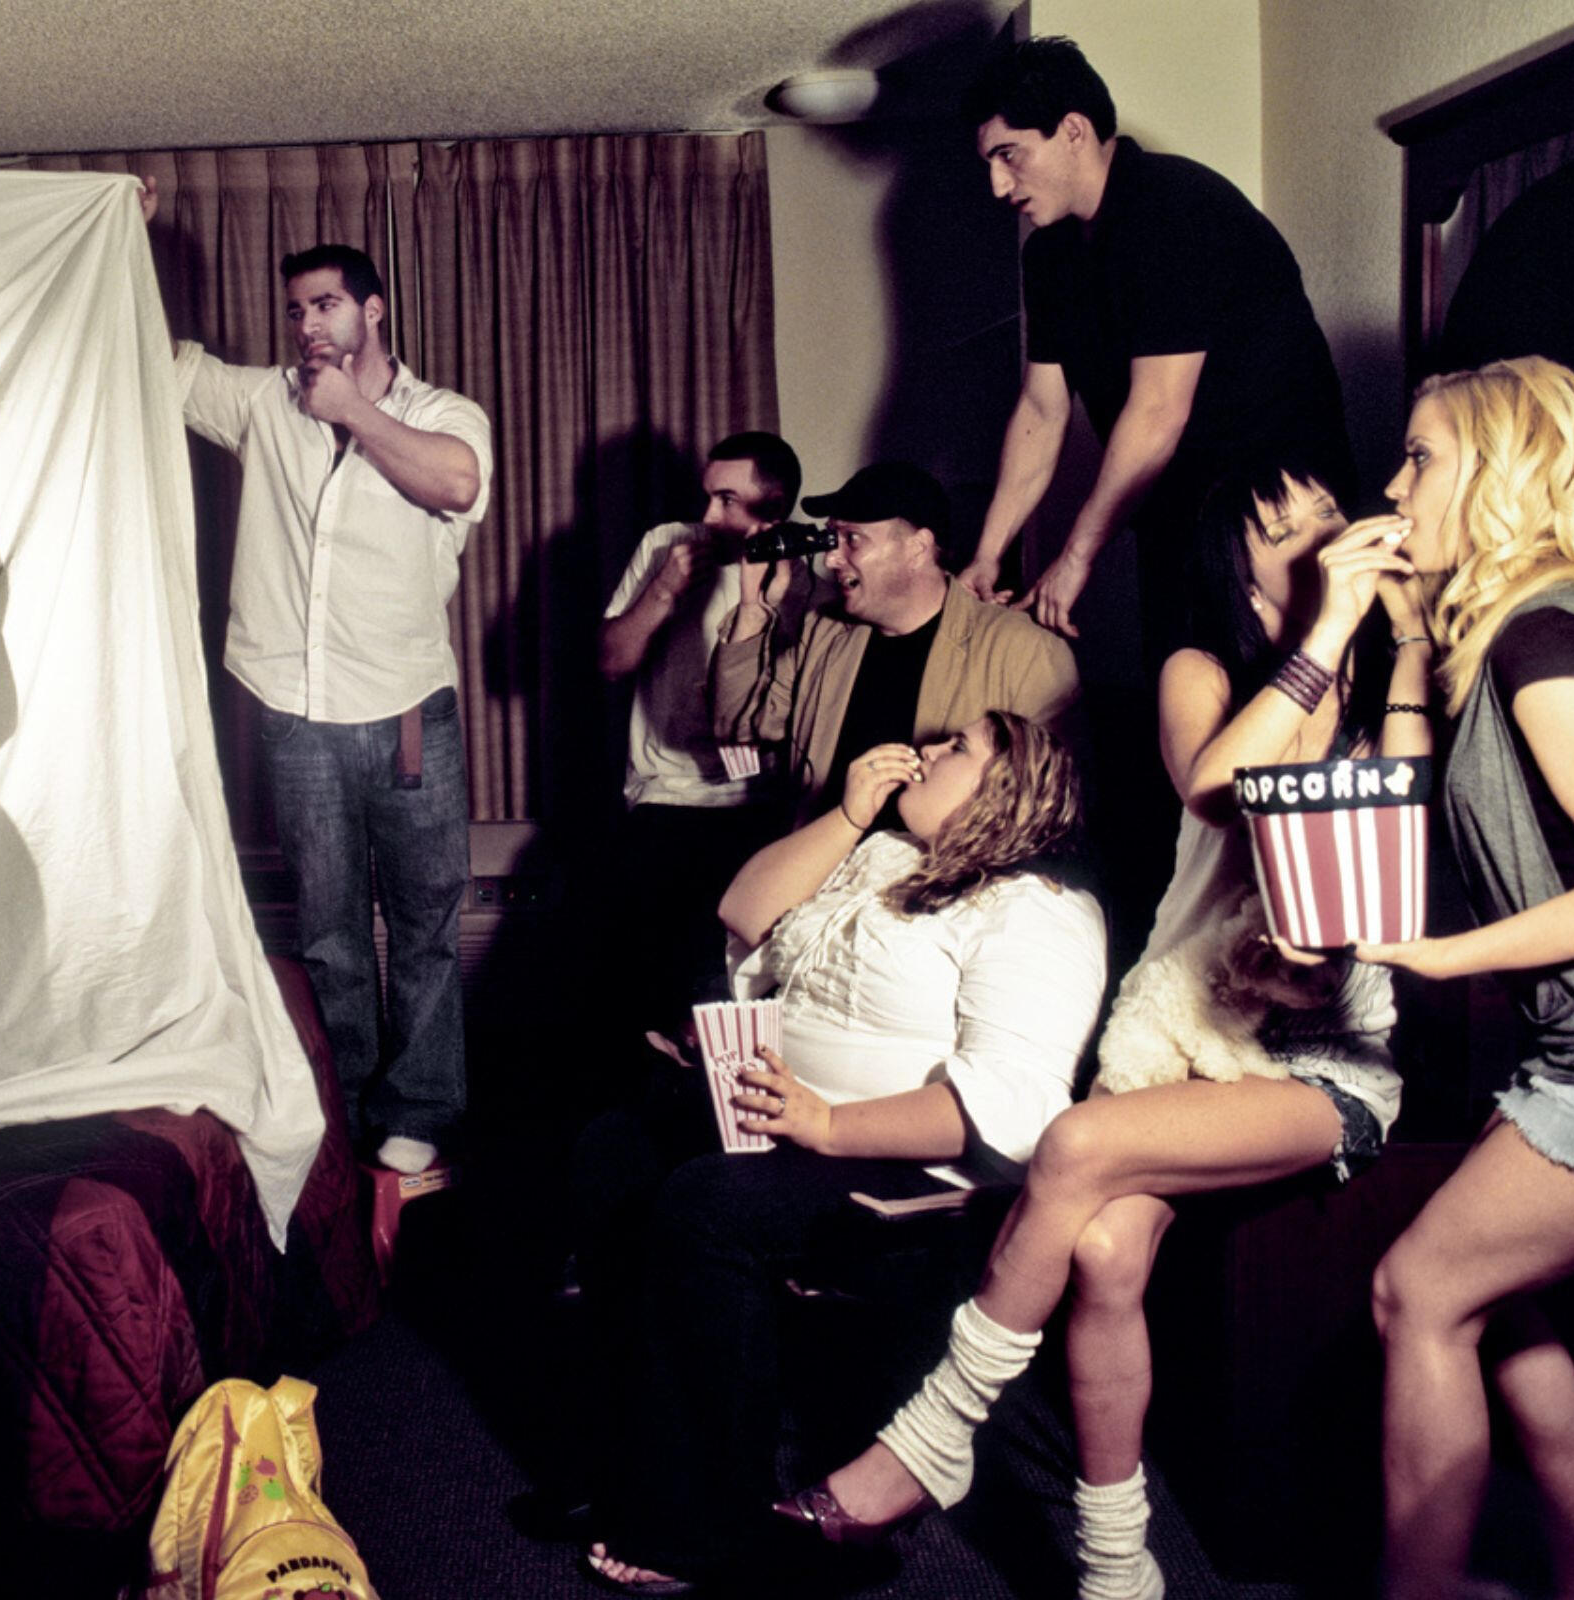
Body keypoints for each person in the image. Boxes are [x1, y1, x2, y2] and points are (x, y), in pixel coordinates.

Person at [773, 449, 1431, 1600]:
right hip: (1176, 1037)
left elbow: (1395, 833)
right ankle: (1119, 1570)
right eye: (1294, 527)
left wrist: (1405, 644)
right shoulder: (1199, 670)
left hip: (1318, 1057)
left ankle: (930, 1438)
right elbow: (1218, 788)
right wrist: (1326, 634)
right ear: (1245, 574)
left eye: (1333, 509)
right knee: (1105, 1249)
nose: (1333, 533)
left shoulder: (1389, 681)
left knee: (1073, 1145)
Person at [571, 711, 1107, 1594]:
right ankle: (632, 1472)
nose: (927, 750)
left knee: (707, 1207)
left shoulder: (1038, 911)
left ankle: (704, 1529)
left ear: (1009, 791)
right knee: (613, 1154)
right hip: (792, 1123)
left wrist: (828, 1126)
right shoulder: (884, 856)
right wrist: (851, 816)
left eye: (959, 748)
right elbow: (743, 912)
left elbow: (1013, 1105)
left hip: (906, 1172)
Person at [1352, 358, 1574, 1600]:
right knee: (1502, 1306)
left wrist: (1445, 956)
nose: (1395, 487)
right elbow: (1418, 799)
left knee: (1417, 1291)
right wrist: (1403, 633)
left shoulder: (1547, 638)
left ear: (1503, 469)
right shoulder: (1537, 622)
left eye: (1422, 456)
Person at [152, 197, 494, 1175]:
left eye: (327, 304)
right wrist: (123, 239)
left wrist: (352, 412)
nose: (307, 324)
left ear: (373, 311)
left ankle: (419, 1108)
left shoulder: (442, 413)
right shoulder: (263, 402)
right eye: (297, 308)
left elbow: (457, 483)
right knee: (330, 929)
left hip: (406, 714)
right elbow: (156, 364)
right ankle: (344, 1106)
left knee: (424, 924)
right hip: (296, 716)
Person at [951, 37, 1350, 656]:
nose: (999, 186)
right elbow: (1042, 410)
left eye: (1009, 155)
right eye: (989, 164)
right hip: (1176, 514)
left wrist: (1077, 554)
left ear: (1074, 130)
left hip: (1282, 513)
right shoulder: (1049, 255)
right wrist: (987, 554)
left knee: (1287, 694)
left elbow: (1159, 410)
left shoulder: (1176, 206)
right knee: (1178, 685)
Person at [709, 460, 1080, 829]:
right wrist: (753, 608)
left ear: (918, 548)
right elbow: (739, 727)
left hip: (944, 863)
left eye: (853, 539)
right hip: (826, 858)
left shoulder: (1024, 653)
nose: (832, 558)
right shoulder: (823, 632)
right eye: (832, 538)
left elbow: (1052, 812)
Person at [599, 431, 813, 1027]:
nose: (708, 516)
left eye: (727, 500)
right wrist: (663, 591)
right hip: (664, 796)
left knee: (732, 993)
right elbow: (611, 662)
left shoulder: (802, 579)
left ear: (774, 509)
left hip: (758, 805)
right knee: (647, 993)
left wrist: (771, 601)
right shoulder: (666, 545)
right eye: (708, 496)